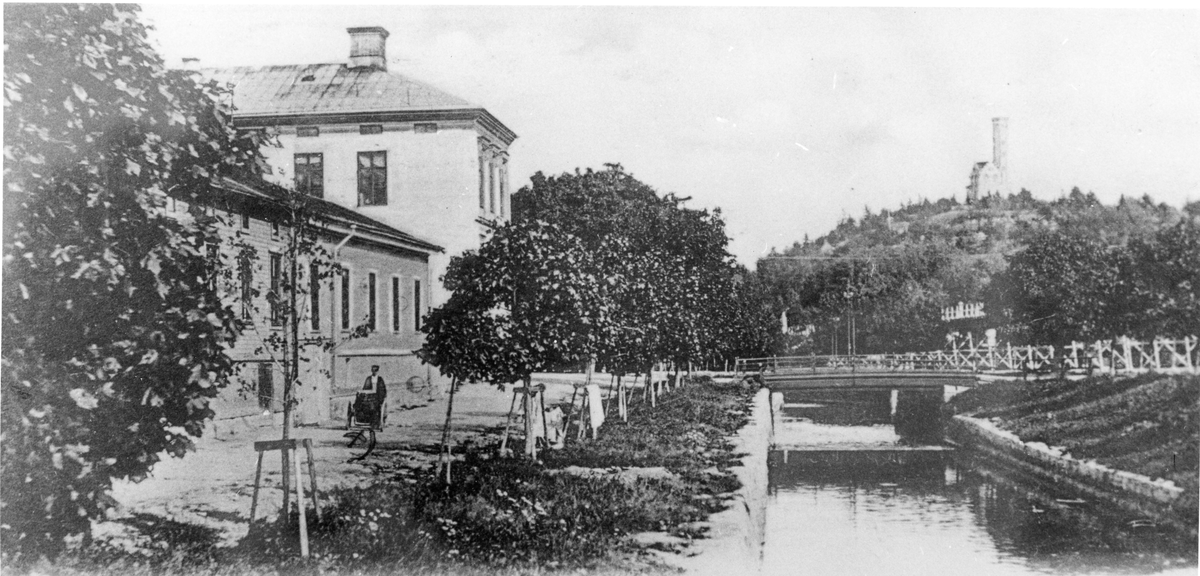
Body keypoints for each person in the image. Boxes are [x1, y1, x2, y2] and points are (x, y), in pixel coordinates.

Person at [354, 365, 388, 430]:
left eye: (375, 370)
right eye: (373, 370)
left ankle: (376, 422)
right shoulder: (369, 378)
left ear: (377, 371)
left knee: (375, 407)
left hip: (377, 397)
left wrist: (382, 397)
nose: (374, 372)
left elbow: (383, 389)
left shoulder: (380, 379)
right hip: (369, 396)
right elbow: (365, 388)